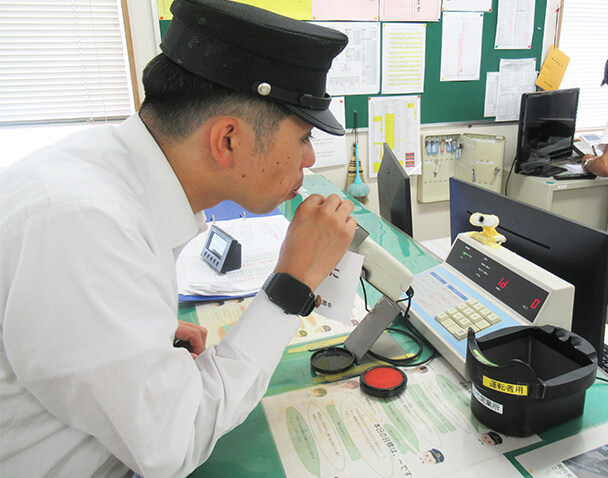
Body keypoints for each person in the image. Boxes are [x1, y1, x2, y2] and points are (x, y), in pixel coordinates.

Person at [0, 1, 355, 477]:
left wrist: (143, 335)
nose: (309, 159)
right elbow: (175, 441)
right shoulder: (84, 226)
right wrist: (291, 284)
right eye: (304, 137)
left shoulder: (105, 171)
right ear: (228, 139)